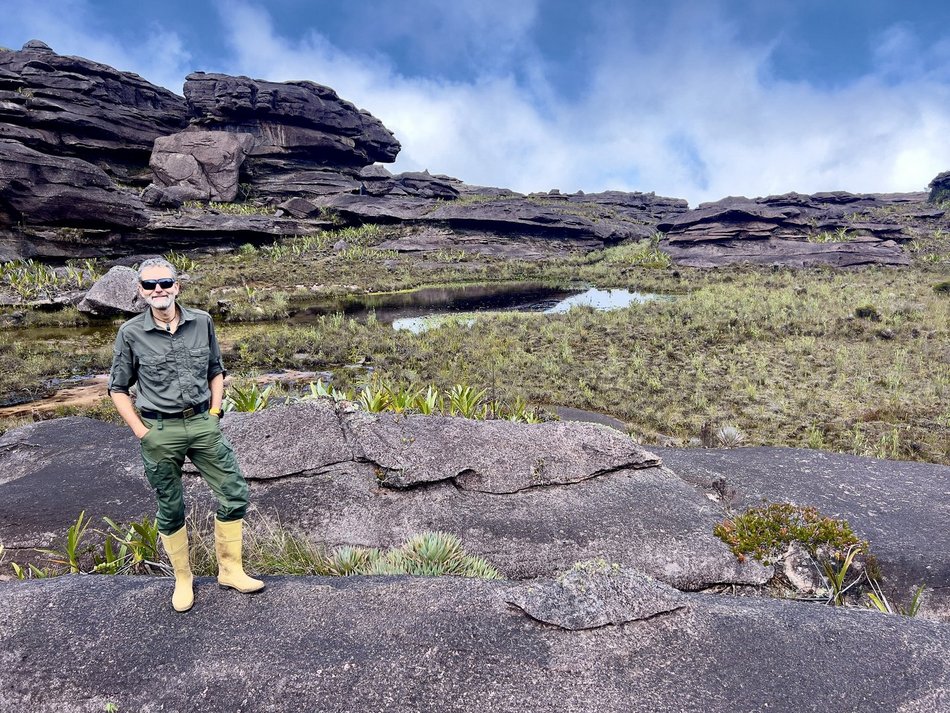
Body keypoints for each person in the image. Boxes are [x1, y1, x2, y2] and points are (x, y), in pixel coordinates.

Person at [108, 257, 264, 612]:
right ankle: (183, 578)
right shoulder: (130, 333)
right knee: (171, 505)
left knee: (234, 492)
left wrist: (214, 413)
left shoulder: (202, 322)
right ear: (141, 291)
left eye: (165, 283)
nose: (158, 290)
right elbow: (117, 388)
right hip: (159, 430)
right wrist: (141, 432)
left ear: (176, 286)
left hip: (201, 423)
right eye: (150, 285)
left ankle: (231, 571)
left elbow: (215, 370)